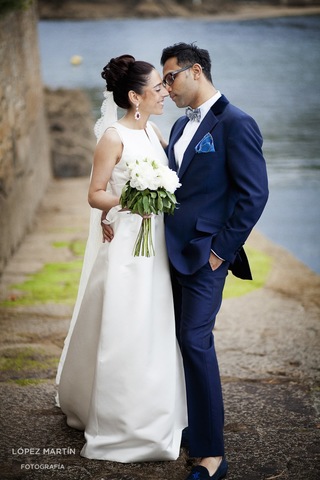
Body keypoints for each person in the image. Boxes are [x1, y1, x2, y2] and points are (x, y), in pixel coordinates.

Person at [55, 54, 187, 463]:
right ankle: (118, 422)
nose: (165, 92)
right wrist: (130, 200)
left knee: (156, 326)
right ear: (134, 96)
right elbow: (95, 194)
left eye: (165, 87)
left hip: (157, 246)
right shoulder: (113, 136)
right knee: (125, 327)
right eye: (157, 88)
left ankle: (156, 414)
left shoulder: (154, 132)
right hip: (128, 247)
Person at [159, 42, 269, 480]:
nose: (166, 87)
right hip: (168, 253)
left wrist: (220, 250)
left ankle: (212, 456)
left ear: (196, 71)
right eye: (164, 80)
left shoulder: (237, 123)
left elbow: (254, 194)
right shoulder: (180, 128)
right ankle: (188, 426)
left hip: (206, 256)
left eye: (171, 77)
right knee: (172, 340)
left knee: (195, 341)